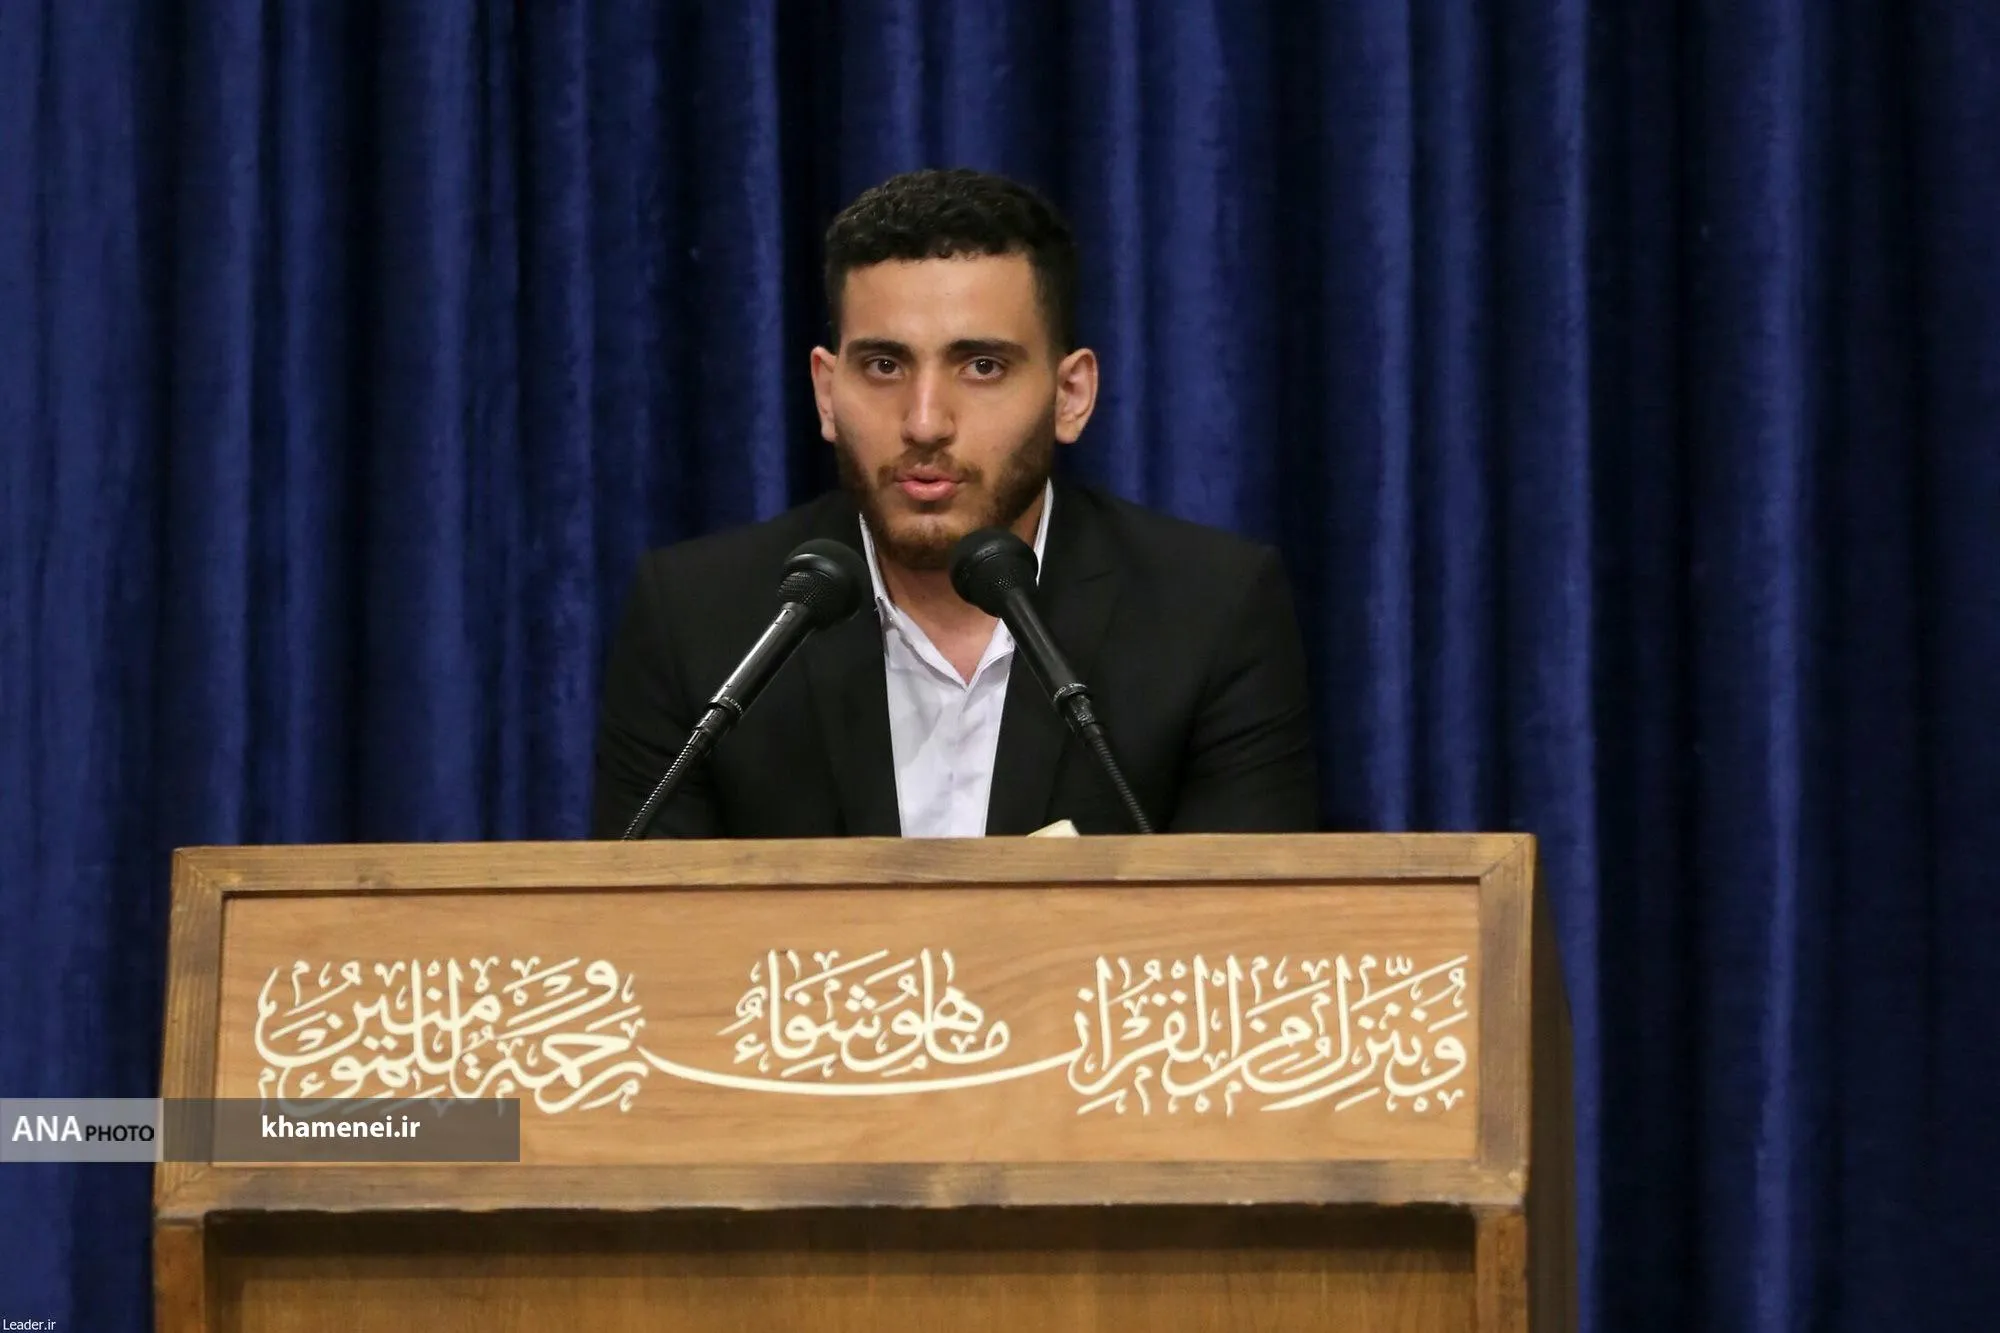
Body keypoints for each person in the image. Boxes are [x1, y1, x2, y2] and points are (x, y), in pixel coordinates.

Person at [591, 168, 1319, 838]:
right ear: (827, 393)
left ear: (1071, 395)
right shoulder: (699, 622)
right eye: (884, 365)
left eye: (982, 366)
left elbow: (1242, 926)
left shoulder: (1210, 613)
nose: (924, 422)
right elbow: (641, 923)